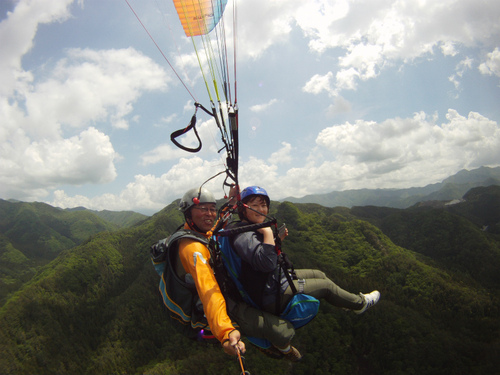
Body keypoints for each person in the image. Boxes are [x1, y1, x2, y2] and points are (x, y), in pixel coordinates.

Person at [175, 186, 302, 361]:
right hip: (221, 301)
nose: (210, 214)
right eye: (203, 209)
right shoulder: (193, 249)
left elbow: (218, 226)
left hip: (229, 285)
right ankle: (274, 347)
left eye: (212, 208)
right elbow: (208, 292)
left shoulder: (200, 233)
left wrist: (232, 202)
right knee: (281, 331)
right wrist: (226, 333)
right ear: (188, 213)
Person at [229, 186, 380, 325]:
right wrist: (268, 232)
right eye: (254, 205)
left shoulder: (248, 227)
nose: (261, 210)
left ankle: (344, 300)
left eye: (263, 205)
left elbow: (261, 254)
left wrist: (276, 240)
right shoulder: (243, 235)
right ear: (244, 210)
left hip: (273, 280)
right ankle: (360, 304)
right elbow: (267, 263)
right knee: (326, 287)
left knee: (319, 274)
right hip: (270, 295)